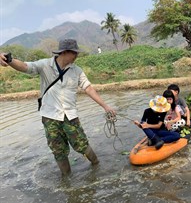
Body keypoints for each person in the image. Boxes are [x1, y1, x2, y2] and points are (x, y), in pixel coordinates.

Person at [0, 39, 116, 176]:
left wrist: (105, 106)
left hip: (70, 116)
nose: (77, 56)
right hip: (50, 117)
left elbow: (89, 88)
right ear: (65, 52)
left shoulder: (77, 71)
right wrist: (9, 60)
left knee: (82, 144)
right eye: (75, 53)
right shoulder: (45, 65)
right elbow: (25, 66)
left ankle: (97, 166)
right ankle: (66, 180)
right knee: (58, 151)